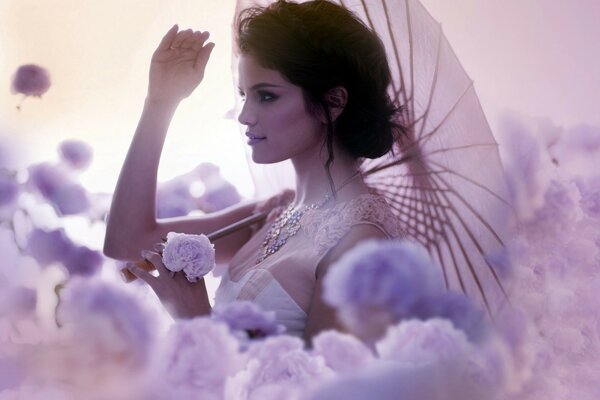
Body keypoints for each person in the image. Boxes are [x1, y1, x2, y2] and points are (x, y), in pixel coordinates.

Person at [103, 0, 405, 342]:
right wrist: (160, 102)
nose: (245, 116)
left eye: (266, 96)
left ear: (334, 102)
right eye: (243, 94)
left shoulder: (359, 243)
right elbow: (127, 242)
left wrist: (196, 321)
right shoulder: (271, 214)